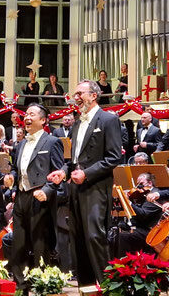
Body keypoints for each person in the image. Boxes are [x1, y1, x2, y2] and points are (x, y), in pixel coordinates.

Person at [47, 80, 123, 286]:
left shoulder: (108, 120)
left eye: (80, 93)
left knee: (94, 237)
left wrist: (87, 174)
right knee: (78, 240)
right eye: (75, 93)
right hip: (76, 189)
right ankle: (86, 288)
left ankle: (109, 287)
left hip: (96, 189)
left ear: (93, 96)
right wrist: (63, 172)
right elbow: (74, 161)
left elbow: (114, 157)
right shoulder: (78, 123)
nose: (76, 97)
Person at [9, 103, 64, 291]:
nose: (27, 117)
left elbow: (59, 173)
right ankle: (21, 286)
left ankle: (42, 286)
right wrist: (11, 178)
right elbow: (16, 169)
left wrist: (47, 191)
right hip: (21, 197)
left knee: (40, 244)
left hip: (40, 197)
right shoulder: (21, 143)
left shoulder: (52, 142)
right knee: (19, 243)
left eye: (32, 114)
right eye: (26, 114)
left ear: (43, 120)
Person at [116, 172, 162, 257]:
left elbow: (143, 214)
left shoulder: (155, 196)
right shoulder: (142, 195)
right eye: (138, 184)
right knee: (117, 229)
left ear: (150, 183)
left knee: (123, 236)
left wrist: (129, 203)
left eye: (141, 184)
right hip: (140, 226)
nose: (138, 187)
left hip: (149, 231)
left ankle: (125, 264)